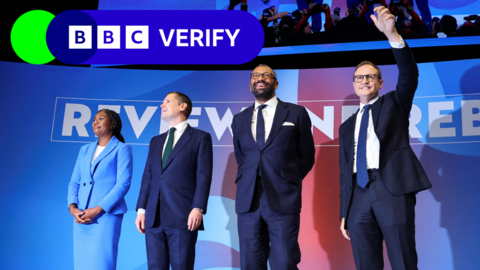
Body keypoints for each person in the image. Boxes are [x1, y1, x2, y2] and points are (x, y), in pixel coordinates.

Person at [338, 6, 432, 270]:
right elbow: (344, 172)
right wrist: (344, 211)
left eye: (371, 76)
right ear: (354, 84)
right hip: (358, 194)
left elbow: (409, 75)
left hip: (391, 188)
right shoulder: (346, 127)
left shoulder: (395, 103)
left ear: (380, 83)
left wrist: (393, 35)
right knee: (365, 264)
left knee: (402, 260)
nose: (364, 80)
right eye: (359, 77)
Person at [231, 64, 315, 269]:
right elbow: (242, 157)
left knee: (285, 261)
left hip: (283, 196)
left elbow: (307, 156)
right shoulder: (239, 119)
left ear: (276, 83)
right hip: (248, 199)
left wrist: (287, 179)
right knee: (251, 262)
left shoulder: (296, 113)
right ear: (250, 84)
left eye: (267, 75)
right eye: (256, 75)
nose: (261, 78)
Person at [135, 92, 213, 270]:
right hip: (153, 218)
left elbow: (203, 176)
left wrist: (198, 208)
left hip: (183, 216)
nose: (162, 105)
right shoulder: (156, 141)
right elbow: (148, 176)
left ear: (182, 106)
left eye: (167, 101)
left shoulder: (201, 138)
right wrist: (141, 210)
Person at [67, 109, 133, 270]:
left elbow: (123, 184)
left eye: (100, 119)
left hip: (105, 215)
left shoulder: (122, 149)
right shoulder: (84, 150)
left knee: (102, 264)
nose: (95, 122)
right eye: (94, 119)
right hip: (81, 216)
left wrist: (97, 209)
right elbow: (74, 182)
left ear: (113, 124)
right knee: (82, 264)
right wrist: (73, 207)